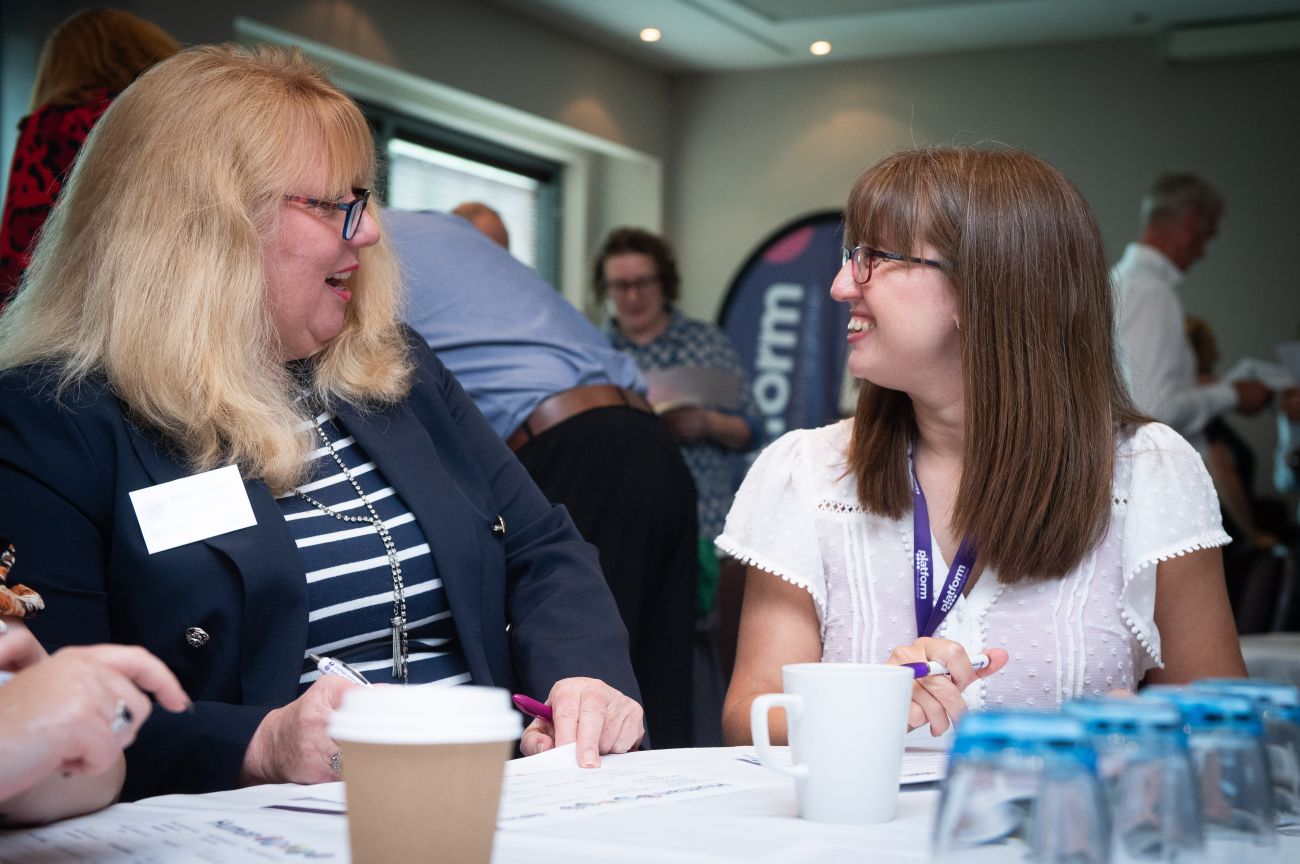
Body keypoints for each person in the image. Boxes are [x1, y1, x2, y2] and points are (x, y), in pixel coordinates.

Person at [0, 44, 642, 802]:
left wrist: (581, 677)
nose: (368, 232)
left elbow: (541, 547)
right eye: (330, 203)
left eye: (362, 198)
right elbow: (46, 716)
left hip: (488, 802)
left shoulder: (392, 369)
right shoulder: (49, 421)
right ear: (203, 228)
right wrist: (259, 744)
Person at [718, 147, 1246, 746]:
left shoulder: (1147, 472)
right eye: (849, 256)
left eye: (876, 259)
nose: (842, 285)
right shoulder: (807, 474)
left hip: (1060, 837)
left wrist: (1137, 736)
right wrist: (867, 704)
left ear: (984, 288)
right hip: (858, 833)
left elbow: (1221, 730)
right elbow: (749, 716)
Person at [385, 207, 699, 748]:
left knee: (589, 699)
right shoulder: (445, 234)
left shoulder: (366, 249)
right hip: (650, 438)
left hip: (576, 446)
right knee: (657, 685)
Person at [595, 228, 761, 618]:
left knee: (696, 651)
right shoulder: (593, 350)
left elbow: (753, 428)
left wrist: (705, 422)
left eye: (643, 283)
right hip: (618, 526)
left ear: (664, 281)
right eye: (620, 286)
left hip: (700, 527)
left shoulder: (705, 342)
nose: (633, 297)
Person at [0, 8, 179, 304]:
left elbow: (19, 246)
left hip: (63, 311)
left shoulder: (53, 125)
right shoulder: (164, 124)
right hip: (153, 301)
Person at [1112, 173, 1273, 455]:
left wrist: (1189, 387)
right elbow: (1151, 410)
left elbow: (1133, 388)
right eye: (1207, 236)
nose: (1203, 254)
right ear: (1190, 224)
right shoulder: (1152, 292)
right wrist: (1231, 395)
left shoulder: (1119, 280)